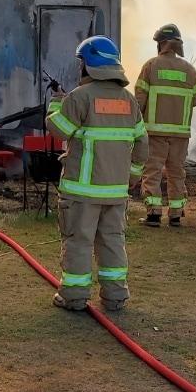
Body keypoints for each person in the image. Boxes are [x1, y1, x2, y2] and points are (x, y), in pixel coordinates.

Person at [47, 36, 149, 312]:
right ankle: (115, 297)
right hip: (116, 192)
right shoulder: (129, 101)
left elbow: (59, 129)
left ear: (88, 64)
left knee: (79, 242)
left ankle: (75, 297)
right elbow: (142, 143)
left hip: (82, 192)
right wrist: (132, 175)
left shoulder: (79, 97)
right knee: (113, 240)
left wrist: (56, 103)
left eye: (81, 62)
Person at [135, 23, 196, 227]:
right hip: (180, 133)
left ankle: (154, 214)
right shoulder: (189, 69)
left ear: (161, 44)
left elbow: (139, 99)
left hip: (155, 131)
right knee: (176, 172)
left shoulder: (150, 66)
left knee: (152, 171)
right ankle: (175, 214)